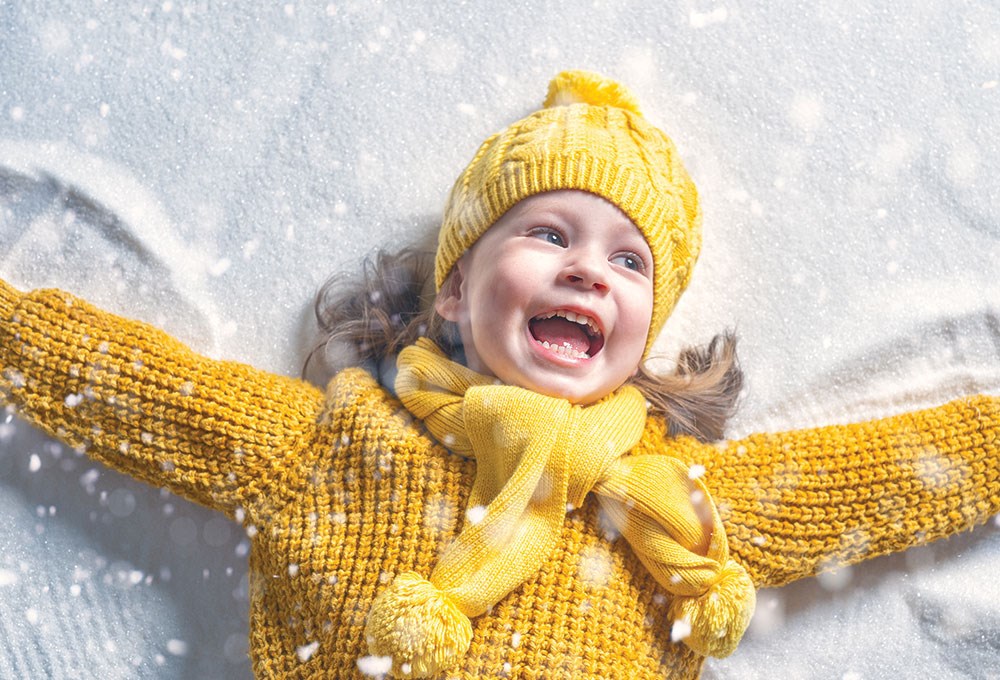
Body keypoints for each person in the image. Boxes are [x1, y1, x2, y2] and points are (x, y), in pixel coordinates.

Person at [0, 70, 996, 679]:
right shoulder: (330, 443)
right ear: (452, 291)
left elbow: (890, 469)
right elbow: (132, 381)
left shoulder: (672, 503)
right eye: (548, 233)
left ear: (643, 335)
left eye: (627, 259)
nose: (585, 268)